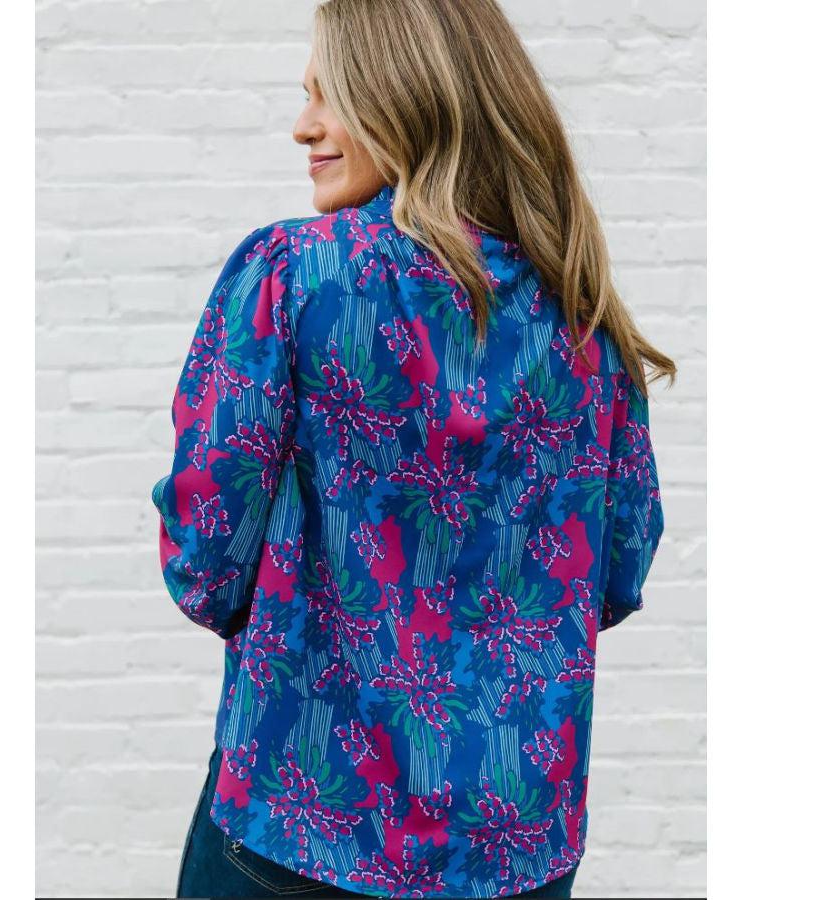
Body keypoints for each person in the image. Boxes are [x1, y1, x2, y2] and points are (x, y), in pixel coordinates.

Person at [151, 1, 676, 896]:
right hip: (513, 848)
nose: (303, 125)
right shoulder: (579, 308)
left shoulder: (293, 275)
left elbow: (207, 564)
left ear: (408, 96)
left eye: (330, 94)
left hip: (298, 820)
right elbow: (619, 567)